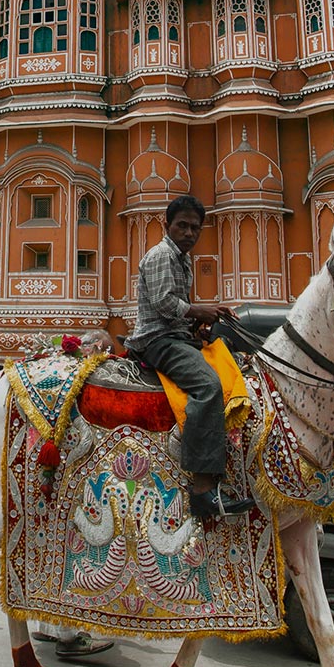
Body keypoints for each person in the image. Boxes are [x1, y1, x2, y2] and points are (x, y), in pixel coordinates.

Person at [130, 195, 251, 519]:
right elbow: (164, 305)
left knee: (234, 370)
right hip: (157, 340)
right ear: (166, 225)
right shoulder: (160, 255)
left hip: (177, 336)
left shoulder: (182, 259)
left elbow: (179, 311)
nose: (188, 232)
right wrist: (203, 310)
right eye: (182, 225)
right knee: (208, 385)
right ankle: (201, 491)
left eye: (194, 228)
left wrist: (202, 319)